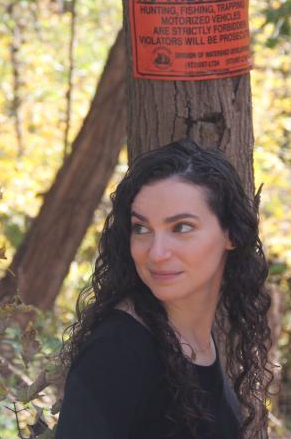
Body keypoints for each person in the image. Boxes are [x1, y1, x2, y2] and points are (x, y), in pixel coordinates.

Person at [55, 139, 272, 439]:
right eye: (141, 229)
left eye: (181, 227)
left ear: (231, 234)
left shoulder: (197, 340)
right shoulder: (117, 351)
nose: (156, 253)